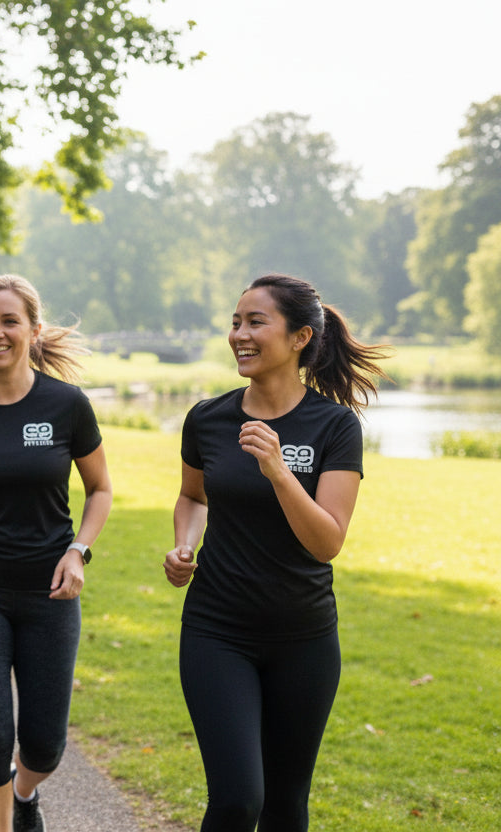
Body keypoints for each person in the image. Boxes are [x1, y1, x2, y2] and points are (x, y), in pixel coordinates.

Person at [163, 273, 389, 832]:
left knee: (286, 807)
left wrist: (279, 471)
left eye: (256, 322)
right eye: (236, 322)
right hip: (218, 631)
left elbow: (327, 542)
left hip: (304, 639)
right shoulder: (208, 418)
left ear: (300, 338)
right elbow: (193, 497)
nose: (239, 333)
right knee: (239, 800)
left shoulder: (335, 427)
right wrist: (183, 545)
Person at [0, 274, 113, 832]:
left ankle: (25, 793)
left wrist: (78, 551)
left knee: (44, 746)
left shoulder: (66, 405)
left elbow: (101, 489)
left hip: (50, 592)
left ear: (33, 330)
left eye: (9, 321)